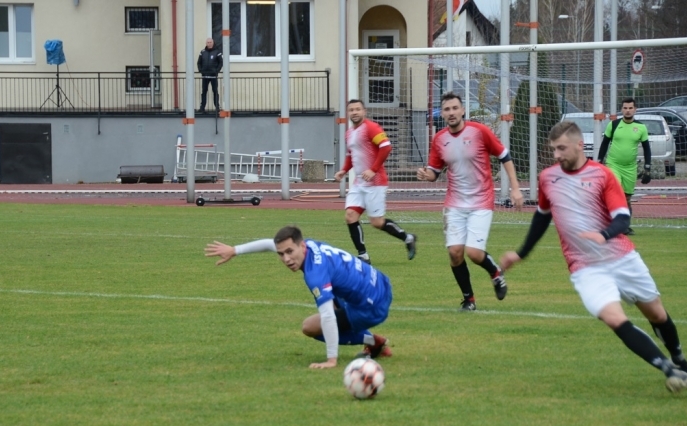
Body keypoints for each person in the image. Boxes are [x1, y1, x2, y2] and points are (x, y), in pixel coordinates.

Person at [500, 121, 687, 393]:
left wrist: (603, 235)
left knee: (657, 315)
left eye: (561, 148)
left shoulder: (602, 175)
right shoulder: (548, 178)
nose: (556, 155)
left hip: (622, 259)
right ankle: (668, 369)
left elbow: (622, 218)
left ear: (580, 145)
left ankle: (680, 361)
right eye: (553, 150)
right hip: (585, 268)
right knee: (613, 318)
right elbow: (542, 216)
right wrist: (521, 253)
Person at [204, 226, 393, 369]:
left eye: (289, 252)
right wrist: (234, 250)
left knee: (310, 326)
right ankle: (371, 339)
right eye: (281, 254)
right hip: (382, 283)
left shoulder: (315, 274)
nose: (286, 259)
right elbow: (269, 244)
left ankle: (372, 341)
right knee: (335, 295)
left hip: (372, 307)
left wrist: (331, 360)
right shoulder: (309, 245)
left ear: (301, 246)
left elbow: (327, 316)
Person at [416, 91, 524, 311]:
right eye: (447, 109)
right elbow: (435, 172)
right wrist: (427, 175)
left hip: (481, 201)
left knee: (474, 253)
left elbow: (504, 156)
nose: (451, 112)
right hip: (454, 203)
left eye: (455, 108)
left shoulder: (479, 131)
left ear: (463, 110)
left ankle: (495, 273)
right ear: (443, 114)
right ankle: (469, 300)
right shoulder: (439, 139)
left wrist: (515, 188)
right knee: (455, 253)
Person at [333, 99, 417, 264]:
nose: (355, 112)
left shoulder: (371, 128)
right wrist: (344, 170)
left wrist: (373, 169)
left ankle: (408, 238)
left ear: (364, 111)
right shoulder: (349, 133)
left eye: (358, 109)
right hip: (359, 183)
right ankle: (363, 255)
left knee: (377, 222)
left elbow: (386, 147)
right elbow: (352, 155)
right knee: (350, 216)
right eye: (351, 110)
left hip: (376, 182)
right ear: (348, 113)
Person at [597, 97, 651, 235]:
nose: (627, 111)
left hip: (630, 168)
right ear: (621, 109)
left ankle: (624, 225)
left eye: (630, 108)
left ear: (635, 109)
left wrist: (647, 168)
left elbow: (647, 149)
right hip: (613, 164)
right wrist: (598, 161)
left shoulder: (641, 127)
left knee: (627, 198)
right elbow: (604, 144)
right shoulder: (613, 125)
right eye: (625, 108)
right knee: (617, 192)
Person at [197, 38, 222, 113]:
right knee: (204, 91)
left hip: (213, 75)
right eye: (208, 42)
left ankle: (217, 107)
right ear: (206, 43)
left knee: (215, 91)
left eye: (210, 42)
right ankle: (202, 107)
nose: (209, 43)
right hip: (205, 75)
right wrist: (201, 71)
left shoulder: (217, 52)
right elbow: (199, 62)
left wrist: (216, 71)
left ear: (213, 43)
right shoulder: (202, 52)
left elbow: (221, 63)